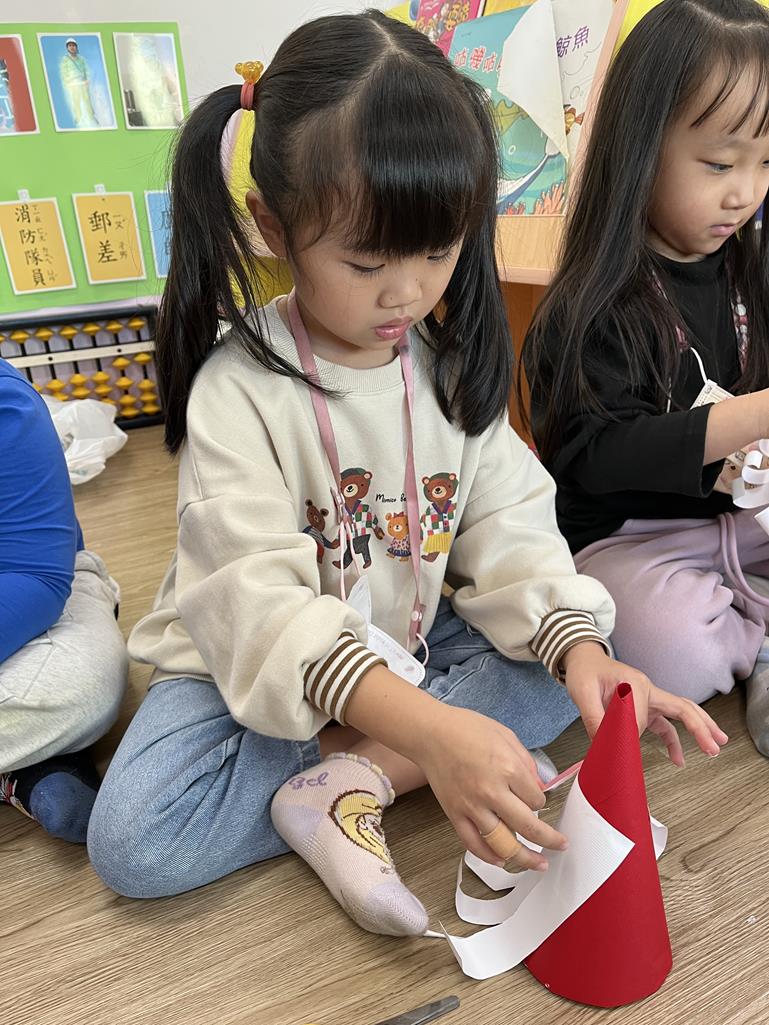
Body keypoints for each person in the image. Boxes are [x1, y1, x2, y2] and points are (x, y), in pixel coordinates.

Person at [87, 11, 725, 936]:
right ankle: (396, 751)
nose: (407, 291)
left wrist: (582, 655)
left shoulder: (448, 368)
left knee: (570, 663)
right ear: (272, 225)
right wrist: (432, 732)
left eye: (437, 250)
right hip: (244, 661)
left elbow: (511, 528)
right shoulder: (237, 390)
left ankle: (352, 776)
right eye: (365, 260)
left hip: (406, 638)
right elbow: (257, 611)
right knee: (136, 839)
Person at [523, 0, 769, 754]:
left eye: (766, 162)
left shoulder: (751, 270)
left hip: (747, 518)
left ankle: (748, 627)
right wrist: (752, 415)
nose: (744, 192)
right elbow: (596, 459)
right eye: (719, 164)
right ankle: (754, 641)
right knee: (669, 650)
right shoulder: (591, 302)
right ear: (640, 148)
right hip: (633, 541)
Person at [0, 359, 127, 842]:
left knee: (82, 686)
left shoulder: (7, 402)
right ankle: (28, 765)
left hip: (34, 592)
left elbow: (36, 577)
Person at [59, 38, 98, 129]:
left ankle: (92, 117)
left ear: (76, 47)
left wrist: (88, 80)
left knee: (87, 100)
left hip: (83, 82)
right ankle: (78, 118)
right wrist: (67, 82)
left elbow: (87, 70)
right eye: (70, 46)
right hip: (73, 84)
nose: (72, 47)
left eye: (73, 45)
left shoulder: (81, 59)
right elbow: (63, 72)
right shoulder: (65, 59)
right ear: (67, 48)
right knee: (76, 101)